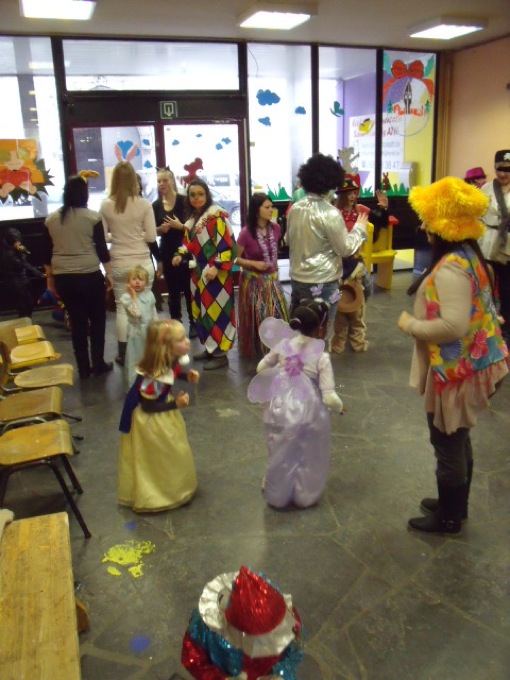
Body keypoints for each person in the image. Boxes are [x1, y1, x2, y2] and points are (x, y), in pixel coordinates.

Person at [398, 176, 508, 535]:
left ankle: (448, 517)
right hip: (474, 365)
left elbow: (453, 326)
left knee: (446, 441)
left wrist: (411, 324)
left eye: (427, 221)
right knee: (458, 436)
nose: (423, 227)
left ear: (442, 226)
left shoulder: (450, 269)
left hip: (459, 371)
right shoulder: (469, 256)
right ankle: (455, 505)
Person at [248, 301, 344, 509]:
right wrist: (339, 407)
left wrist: (279, 373)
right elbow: (329, 397)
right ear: (320, 328)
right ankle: (301, 492)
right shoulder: (321, 356)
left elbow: (261, 367)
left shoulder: (283, 345)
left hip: (278, 403)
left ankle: (273, 482)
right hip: (307, 408)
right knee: (304, 448)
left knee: (278, 442)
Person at [118, 319, 199, 513]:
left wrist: (185, 376)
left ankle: (172, 487)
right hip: (152, 421)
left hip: (161, 412)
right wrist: (176, 404)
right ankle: (159, 493)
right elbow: (148, 406)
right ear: (166, 347)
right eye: (180, 340)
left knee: (171, 451)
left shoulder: (166, 362)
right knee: (160, 456)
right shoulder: (153, 377)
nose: (187, 342)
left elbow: (172, 373)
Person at [44, 174, 113, 378]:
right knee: (98, 319)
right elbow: (102, 250)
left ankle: (83, 368)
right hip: (89, 275)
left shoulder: (51, 220)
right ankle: (98, 363)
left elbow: (46, 252)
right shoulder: (93, 218)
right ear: (84, 194)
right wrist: (109, 274)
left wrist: (50, 279)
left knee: (77, 321)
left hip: (64, 278)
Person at [182, 565, 304, 680]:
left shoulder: (284, 613)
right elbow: (193, 660)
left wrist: (281, 674)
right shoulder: (204, 628)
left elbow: (294, 649)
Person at [285, 153, 368, 317]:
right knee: (322, 328)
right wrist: (359, 228)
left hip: (297, 280)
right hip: (324, 282)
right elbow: (345, 249)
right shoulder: (331, 213)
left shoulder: (295, 209)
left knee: (301, 326)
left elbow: (288, 239)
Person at [100, 161, 161, 367]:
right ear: (134, 179)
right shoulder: (144, 204)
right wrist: (136, 235)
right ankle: (152, 350)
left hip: (119, 262)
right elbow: (151, 236)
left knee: (122, 308)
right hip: (142, 261)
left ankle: (124, 354)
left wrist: (117, 236)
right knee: (148, 304)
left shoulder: (106, 205)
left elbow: (103, 237)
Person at [172, 178, 236, 371]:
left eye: (200, 194)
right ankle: (210, 348)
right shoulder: (194, 221)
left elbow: (228, 247)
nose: (196, 198)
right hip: (198, 274)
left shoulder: (217, 218)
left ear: (207, 195)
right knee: (202, 312)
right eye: (193, 194)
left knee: (217, 313)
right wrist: (179, 254)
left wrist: (217, 266)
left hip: (216, 276)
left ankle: (220, 354)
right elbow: (188, 244)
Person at [330, 177, 388, 353]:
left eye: (354, 193)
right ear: (341, 195)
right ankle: (338, 342)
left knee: (359, 305)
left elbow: (379, 223)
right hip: (337, 264)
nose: (352, 196)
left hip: (356, 264)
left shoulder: (361, 211)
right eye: (348, 193)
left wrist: (383, 209)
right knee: (340, 306)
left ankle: (357, 341)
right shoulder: (333, 213)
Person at [236, 192, 289, 359]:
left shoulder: (276, 228)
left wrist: (276, 273)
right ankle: (259, 349)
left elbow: (274, 254)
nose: (271, 210)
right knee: (259, 316)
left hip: (272, 281)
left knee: (276, 315)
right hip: (253, 282)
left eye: (271, 207)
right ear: (256, 210)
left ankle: (277, 348)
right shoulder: (246, 233)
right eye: (267, 207)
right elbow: (234, 259)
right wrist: (253, 263)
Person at [152, 167, 196, 337]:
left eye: (165, 180)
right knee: (172, 291)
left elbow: (194, 227)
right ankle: (176, 323)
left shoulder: (184, 201)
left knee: (188, 288)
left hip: (185, 250)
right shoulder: (156, 205)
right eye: (159, 181)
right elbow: (152, 232)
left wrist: (180, 226)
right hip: (167, 251)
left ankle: (193, 322)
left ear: (172, 181)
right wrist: (160, 230)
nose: (162, 184)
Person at [479, 150, 510, 341]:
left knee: (507, 288)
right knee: (485, 286)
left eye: (507, 170)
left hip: (507, 246)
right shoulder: (486, 189)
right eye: (500, 169)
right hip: (487, 243)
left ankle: (506, 325)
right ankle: (485, 323)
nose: (503, 174)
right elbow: (477, 215)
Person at [119, 265, 158, 386]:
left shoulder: (149, 295)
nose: (137, 282)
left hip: (149, 331)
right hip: (136, 333)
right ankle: (135, 385)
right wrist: (134, 297)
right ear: (128, 281)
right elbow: (137, 314)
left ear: (146, 282)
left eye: (140, 279)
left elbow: (153, 311)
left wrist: (157, 327)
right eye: (134, 279)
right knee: (136, 358)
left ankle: (150, 384)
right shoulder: (126, 298)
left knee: (150, 357)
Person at [1, 228, 44, 318]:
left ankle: (27, 319)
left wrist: (23, 252)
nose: (19, 243)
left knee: (29, 303)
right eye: (17, 241)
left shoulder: (14, 251)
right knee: (23, 306)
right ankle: (24, 321)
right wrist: (39, 273)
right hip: (15, 281)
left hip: (22, 280)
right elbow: (22, 264)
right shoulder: (8, 254)